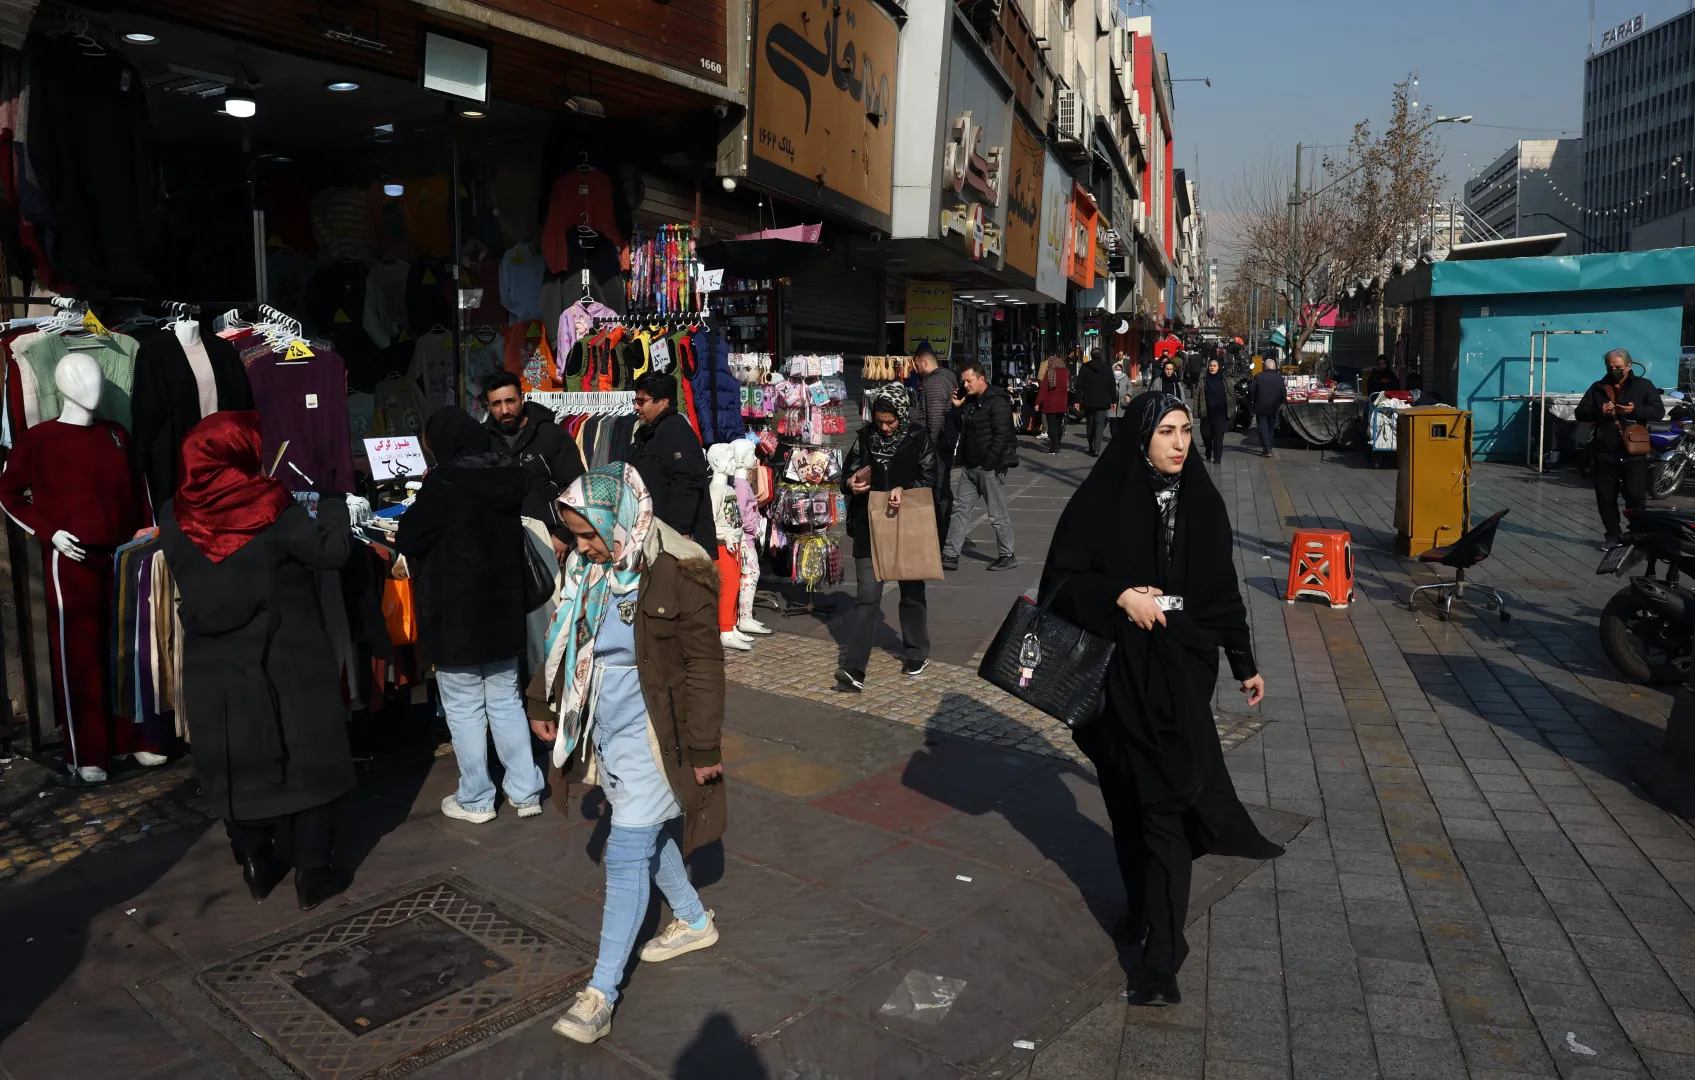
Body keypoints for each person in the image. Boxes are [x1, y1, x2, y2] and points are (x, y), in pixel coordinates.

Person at [1042, 391, 1285, 1006]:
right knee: (1127, 803)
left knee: (1165, 807)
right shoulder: (1103, 497)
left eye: (1185, 431)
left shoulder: (1202, 499)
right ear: (1140, 438)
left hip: (1180, 669)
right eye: (1166, 432)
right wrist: (1120, 596)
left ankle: (1163, 956)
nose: (1179, 444)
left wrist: (1245, 663)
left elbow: (1221, 590)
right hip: (1116, 673)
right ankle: (1141, 910)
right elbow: (1061, 582)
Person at [530, 465, 725, 1045]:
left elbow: (704, 666)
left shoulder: (679, 570)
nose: (582, 547)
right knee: (647, 830)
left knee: (625, 852)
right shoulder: (588, 569)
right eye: (575, 536)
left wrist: (704, 747)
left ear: (617, 517)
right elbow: (563, 636)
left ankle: (601, 992)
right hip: (604, 724)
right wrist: (542, 698)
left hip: (656, 734)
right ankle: (694, 919)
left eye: (588, 534)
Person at [157, 411, 358, 911]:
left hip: (215, 663)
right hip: (285, 652)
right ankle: (313, 873)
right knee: (306, 755)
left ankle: (255, 862)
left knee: (235, 760)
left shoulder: (172, 514)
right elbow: (331, 552)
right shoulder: (269, 504)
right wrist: (335, 504)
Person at [397, 407, 546, 825]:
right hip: (503, 611)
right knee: (506, 700)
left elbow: (410, 536)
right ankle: (525, 790)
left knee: (464, 707)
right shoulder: (507, 475)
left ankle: (477, 798)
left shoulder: (443, 483)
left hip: (456, 616)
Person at [837, 384, 939, 692]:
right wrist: (850, 483)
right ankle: (854, 668)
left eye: (890, 422)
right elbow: (846, 474)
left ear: (902, 416)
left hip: (906, 523)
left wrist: (904, 490)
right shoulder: (864, 437)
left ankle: (917, 651)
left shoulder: (918, 438)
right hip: (868, 524)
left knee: (911, 591)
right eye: (880, 421)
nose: (884, 427)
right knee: (867, 597)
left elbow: (931, 477)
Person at [484, 370, 587, 557]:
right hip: (499, 545)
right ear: (488, 406)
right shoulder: (482, 441)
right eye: (496, 404)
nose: (504, 410)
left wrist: (563, 535)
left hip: (548, 541)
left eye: (510, 401)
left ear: (522, 399)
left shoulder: (551, 435)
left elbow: (576, 486)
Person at [1575, 348, 1665, 548]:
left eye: (1618, 366)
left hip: (1634, 450)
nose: (1614, 370)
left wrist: (1635, 410)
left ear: (1629, 366)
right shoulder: (1599, 387)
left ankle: (1637, 534)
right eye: (1610, 367)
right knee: (1605, 495)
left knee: (1635, 495)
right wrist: (1600, 410)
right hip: (1605, 449)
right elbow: (1580, 413)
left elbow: (1658, 412)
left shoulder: (1643, 385)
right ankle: (1613, 534)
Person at [943, 363, 1017, 572]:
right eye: (963, 381)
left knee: (996, 513)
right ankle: (950, 554)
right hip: (969, 467)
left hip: (988, 468)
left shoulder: (997, 401)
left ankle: (1007, 555)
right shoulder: (970, 401)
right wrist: (957, 407)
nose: (965, 385)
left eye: (969, 380)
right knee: (960, 509)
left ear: (981, 379)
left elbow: (1003, 435)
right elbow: (961, 427)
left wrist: (989, 463)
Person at [629, 372, 714, 547]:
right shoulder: (649, 432)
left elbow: (687, 482)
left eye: (641, 401)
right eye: (635, 401)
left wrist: (679, 531)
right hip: (655, 532)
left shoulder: (675, 430)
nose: (636, 407)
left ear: (664, 402)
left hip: (672, 537)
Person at [907, 342, 960, 540]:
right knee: (941, 488)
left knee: (936, 491)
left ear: (924, 362)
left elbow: (936, 418)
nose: (915, 369)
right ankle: (942, 532)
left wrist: (929, 448)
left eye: (916, 364)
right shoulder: (943, 379)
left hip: (936, 446)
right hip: (942, 443)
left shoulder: (935, 383)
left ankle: (939, 534)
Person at [1075, 348, 1118, 457]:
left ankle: (1091, 445)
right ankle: (1096, 448)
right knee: (1099, 424)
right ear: (1101, 356)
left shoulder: (1085, 367)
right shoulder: (1107, 368)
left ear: (1091, 355)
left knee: (1090, 423)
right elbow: (1112, 384)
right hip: (1102, 400)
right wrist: (1114, 400)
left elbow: (1079, 385)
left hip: (1088, 400)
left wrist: (1077, 400)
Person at [1195, 357, 1230, 465]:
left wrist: (1231, 410)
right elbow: (1197, 396)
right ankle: (1208, 448)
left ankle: (1217, 458)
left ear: (1219, 368)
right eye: (1211, 365)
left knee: (1218, 437)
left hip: (1220, 413)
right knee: (1206, 434)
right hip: (1206, 412)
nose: (1212, 368)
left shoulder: (1224, 380)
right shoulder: (1203, 380)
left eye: (1214, 366)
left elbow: (1231, 395)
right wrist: (1196, 411)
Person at [1249, 357, 1286, 458]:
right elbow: (1283, 393)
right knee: (1270, 427)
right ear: (1275, 367)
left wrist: (1253, 399)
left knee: (1262, 427)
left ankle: (1267, 448)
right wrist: (1279, 402)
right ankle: (1268, 447)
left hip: (1261, 406)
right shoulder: (1279, 378)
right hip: (1273, 406)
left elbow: (1251, 389)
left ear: (1265, 366)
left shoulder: (1258, 376)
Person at [1035, 355, 1070, 454]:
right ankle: (1058, 443)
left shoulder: (1050, 372)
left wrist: (1037, 403)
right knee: (1059, 424)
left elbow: (1043, 389)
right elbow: (1067, 388)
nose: (1048, 365)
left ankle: (1054, 447)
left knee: (1052, 426)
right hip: (1062, 403)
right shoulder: (1066, 372)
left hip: (1050, 403)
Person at [1112, 359, 1133, 427]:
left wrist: (1128, 395)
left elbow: (1129, 387)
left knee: (1121, 418)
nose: (1118, 371)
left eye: (1119, 370)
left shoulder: (1125, 377)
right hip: (1112, 401)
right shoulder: (1110, 377)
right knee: (1113, 420)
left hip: (1122, 400)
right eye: (1117, 370)